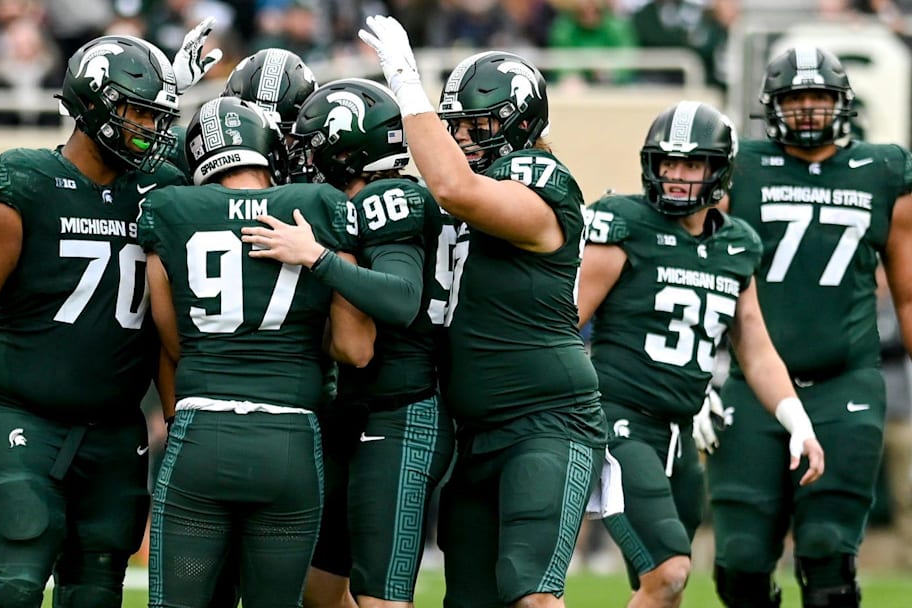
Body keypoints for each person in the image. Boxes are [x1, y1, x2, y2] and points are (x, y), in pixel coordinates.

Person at [0, 29, 216, 607]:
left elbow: (162, 330)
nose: (152, 131)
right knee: (13, 583)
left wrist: (177, 420)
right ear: (95, 109)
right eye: (138, 114)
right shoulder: (25, 184)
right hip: (25, 418)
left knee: (96, 593)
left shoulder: (158, 189)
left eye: (157, 117)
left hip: (115, 427)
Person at [359, 17, 607, 608]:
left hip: (548, 420)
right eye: (458, 127)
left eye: (478, 125)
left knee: (531, 596)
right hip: (475, 431)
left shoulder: (544, 181)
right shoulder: (466, 188)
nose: (465, 137)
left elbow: (453, 187)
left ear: (519, 122)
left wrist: (405, 81)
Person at [576, 100, 825, 608]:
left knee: (664, 588)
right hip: (619, 421)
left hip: (680, 433)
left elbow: (755, 350)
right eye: (668, 162)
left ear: (720, 170)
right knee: (668, 572)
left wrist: (798, 421)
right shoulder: (622, 223)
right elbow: (561, 322)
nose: (676, 175)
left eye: (692, 164)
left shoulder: (737, 244)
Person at [140, 95, 371, 608]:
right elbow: (354, 345)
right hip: (289, 440)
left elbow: (173, 338)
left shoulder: (170, 209)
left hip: (203, 434)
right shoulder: (317, 205)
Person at [708, 45, 912, 608]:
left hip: (844, 382)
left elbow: (910, 295)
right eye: (795, 99)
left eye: (818, 97)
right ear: (772, 106)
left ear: (842, 102)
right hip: (751, 386)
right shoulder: (737, 166)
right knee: (742, 560)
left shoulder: (883, 171)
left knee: (827, 552)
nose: (806, 110)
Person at [245, 77, 456, 608]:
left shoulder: (388, 196)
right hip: (361, 411)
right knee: (319, 591)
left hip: (403, 411)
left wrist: (316, 256)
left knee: (381, 599)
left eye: (311, 144)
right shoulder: (367, 200)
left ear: (342, 147)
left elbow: (401, 298)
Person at [167, 46, 317, 177]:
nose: (264, 145)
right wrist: (168, 93)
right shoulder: (186, 148)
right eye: (252, 129)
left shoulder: (318, 180)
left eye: (280, 133)